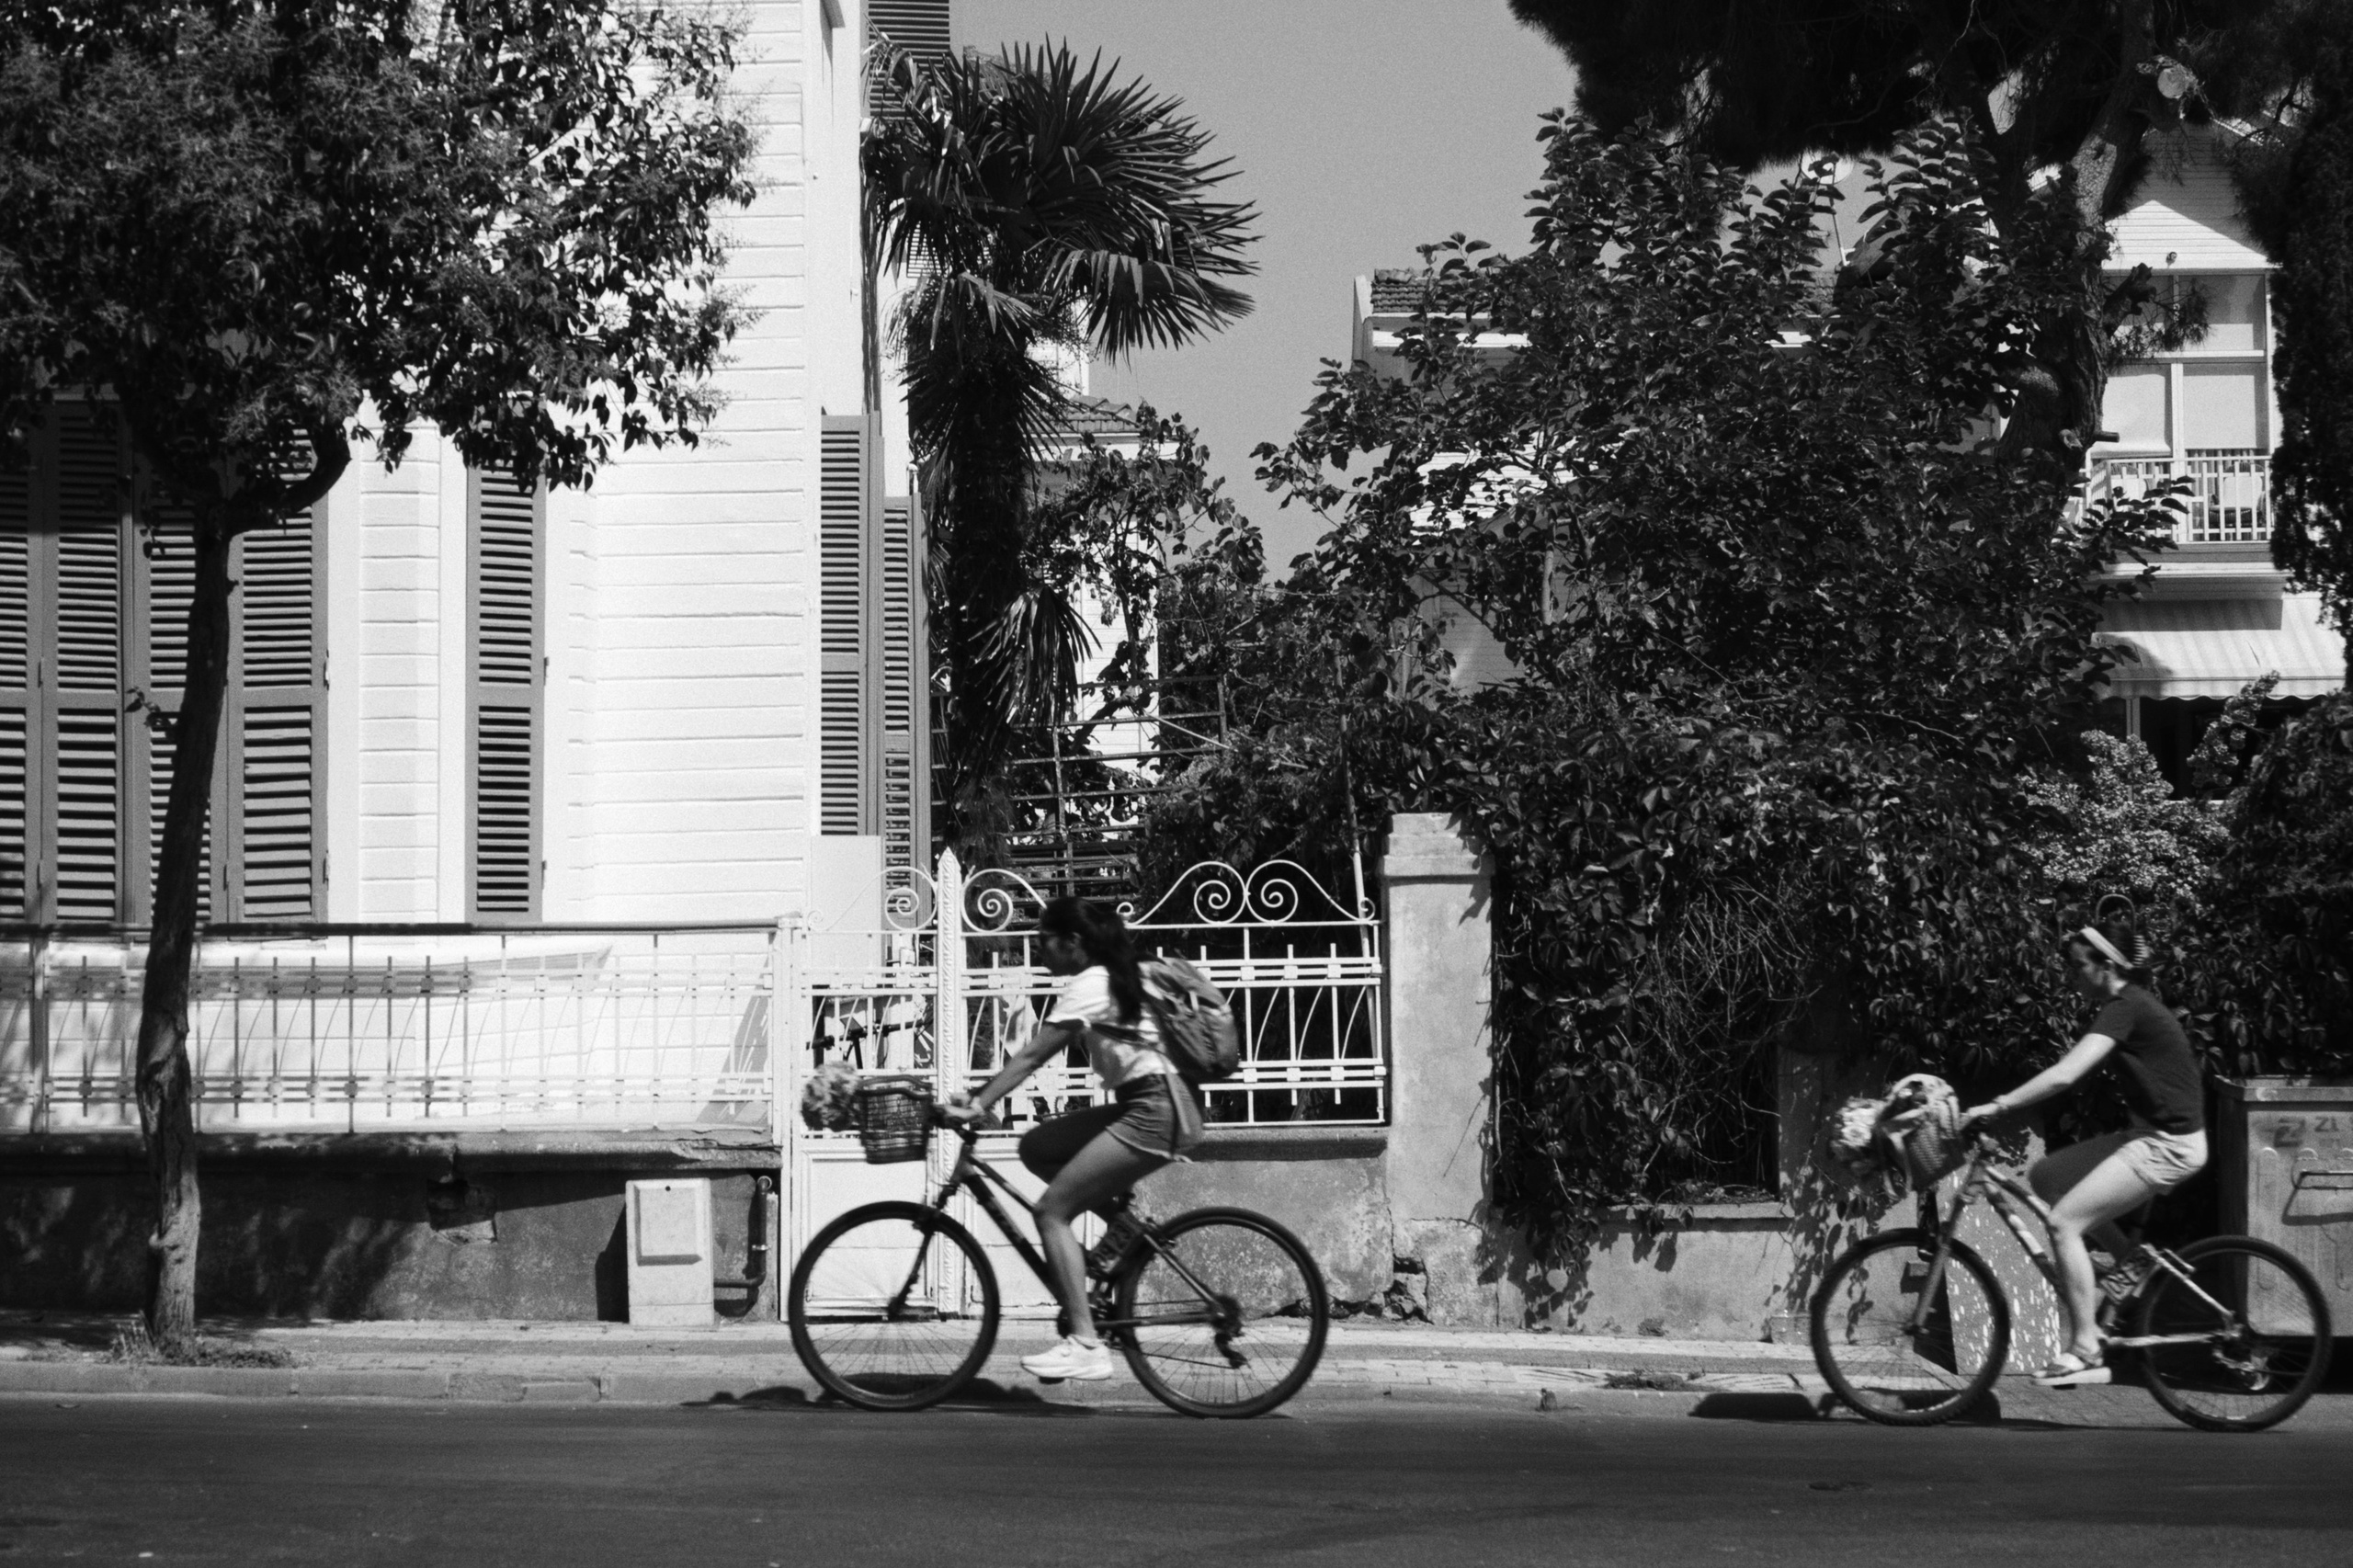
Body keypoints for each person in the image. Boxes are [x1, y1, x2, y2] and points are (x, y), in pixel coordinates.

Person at [940, 895, 1204, 1382]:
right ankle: (1124, 1227)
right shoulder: (1112, 975)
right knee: (1038, 1148)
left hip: (1156, 1108)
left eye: (1044, 940)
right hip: (1152, 1102)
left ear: (1073, 942)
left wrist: (978, 1104)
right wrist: (980, 1099)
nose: (1039, 949)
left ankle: (1086, 1345)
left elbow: (1032, 1056)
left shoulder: (1091, 984)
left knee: (1051, 1212)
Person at [1961, 918, 2207, 1388]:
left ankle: (2086, 1347)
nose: (2072, 976)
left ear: (2106, 965)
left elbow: (2065, 1075)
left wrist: (1998, 1105)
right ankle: (2131, 1261)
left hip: (2170, 1145)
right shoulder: (2125, 1005)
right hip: (2148, 1135)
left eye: (2078, 967)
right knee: (2048, 1177)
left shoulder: (2126, 1006)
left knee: (2063, 1224)